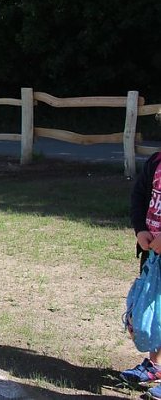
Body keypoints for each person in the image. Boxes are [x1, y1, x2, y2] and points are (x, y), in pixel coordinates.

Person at [120, 150, 161, 392]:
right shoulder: (155, 161)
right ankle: (155, 364)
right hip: (152, 254)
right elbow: (138, 197)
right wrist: (140, 229)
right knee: (154, 311)